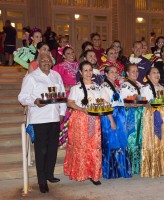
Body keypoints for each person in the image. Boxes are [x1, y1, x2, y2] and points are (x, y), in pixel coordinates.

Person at [18, 53, 66, 193]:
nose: (46, 62)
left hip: (55, 117)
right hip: (39, 119)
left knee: (52, 148)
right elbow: (22, 97)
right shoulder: (31, 77)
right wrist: (34, 101)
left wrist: (62, 112)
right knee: (41, 151)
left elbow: (61, 95)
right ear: (37, 63)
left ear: (52, 62)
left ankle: (49, 174)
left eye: (48, 60)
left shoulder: (56, 75)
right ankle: (42, 181)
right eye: (43, 60)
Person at [64, 61, 102, 185]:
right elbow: (70, 102)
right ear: (80, 72)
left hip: (93, 119)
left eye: (90, 70)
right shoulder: (76, 87)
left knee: (93, 146)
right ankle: (80, 172)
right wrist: (82, 109)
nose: (88, 73)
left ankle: (93, 173)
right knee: (80, 146)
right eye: (85, 70)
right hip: (80, 119)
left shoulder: (97, 86)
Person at [140, 67, 164, 177]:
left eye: (158, 72)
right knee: (154, 141)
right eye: (153, 73)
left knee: (163, 140)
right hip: (152, 116)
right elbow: (143, 103)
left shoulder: (162, 87)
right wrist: (152, 104)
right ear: (148, 76)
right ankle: (154, 168)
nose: (156, 74)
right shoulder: (146, 88)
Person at [99, 65, 132, 179]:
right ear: (106, 74)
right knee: (111, 143)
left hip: (120, 115)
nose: (114, 74)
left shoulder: (116, 86)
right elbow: (105, 104)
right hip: (110, 116)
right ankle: (111, 171)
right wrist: (112, 120)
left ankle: (121, 170)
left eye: (115, 72)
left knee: (121, 142)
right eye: (111, 72)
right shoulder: (104, 86)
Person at [119, 64, 144, 175]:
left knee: (139, 138)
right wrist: (129, 106)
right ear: (127, 73)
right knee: (132, 138)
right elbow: (121, 102)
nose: (135, 73)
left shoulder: (139, 84)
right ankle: (130, 165)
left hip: (140, 113)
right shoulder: (125, 85)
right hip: (131, 113)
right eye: (132, 71)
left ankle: (138, 165)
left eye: (137, 71)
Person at [52, 46, 79, 147]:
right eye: (68, 53)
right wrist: (66, 87)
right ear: (63, 56)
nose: (71, 55)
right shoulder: (58, 67)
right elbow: (53, 83)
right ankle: (64, 141)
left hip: (80, 95)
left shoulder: (80, 65)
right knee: (67, 116)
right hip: (67, 95)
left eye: (73, 53)